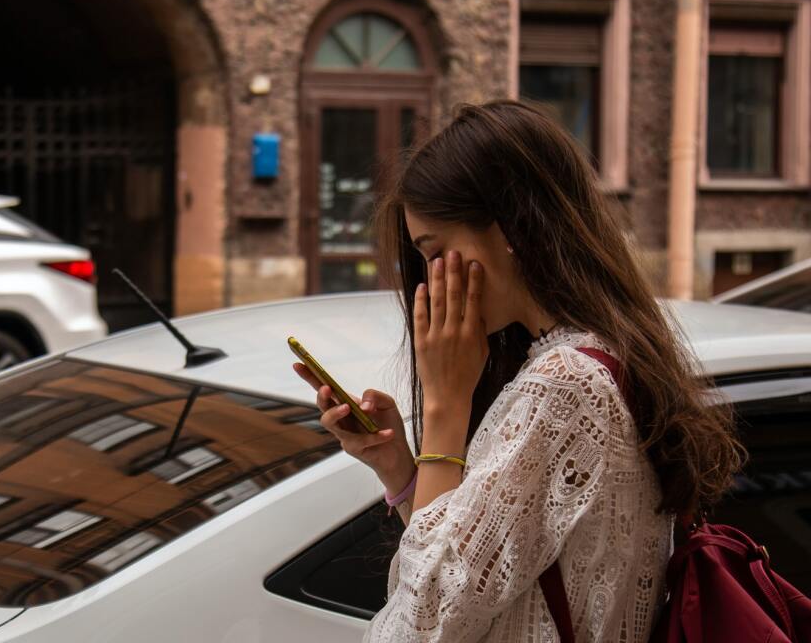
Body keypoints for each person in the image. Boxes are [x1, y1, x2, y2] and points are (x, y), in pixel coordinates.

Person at [292, 100, 745, 642]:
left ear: (509, 226)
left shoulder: (566, 386)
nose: (431, 281)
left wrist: (445, 407)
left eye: (436, 252)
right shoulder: (597, 359)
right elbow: (476, 569)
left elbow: (425, 619)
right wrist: (400, 471)